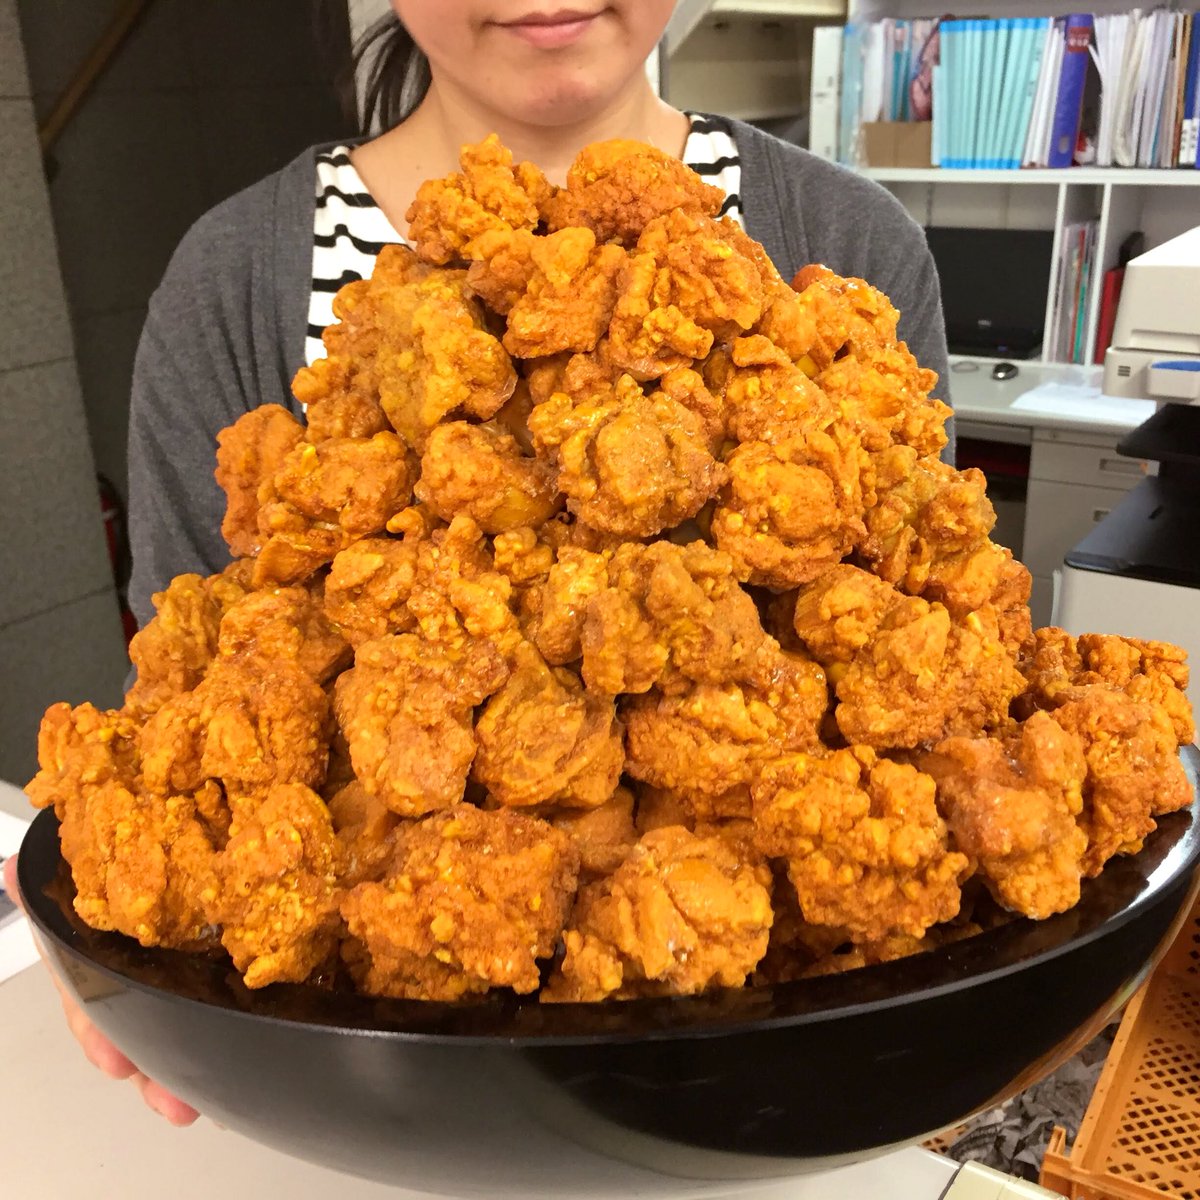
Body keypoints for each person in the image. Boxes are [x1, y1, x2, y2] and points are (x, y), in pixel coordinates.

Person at [9, 0, 950, 1125]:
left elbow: (936, 609)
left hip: (764, 1106)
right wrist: (133, 891)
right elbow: (182, 688)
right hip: (375, 1112)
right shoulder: (231, 282)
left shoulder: (850, 246)